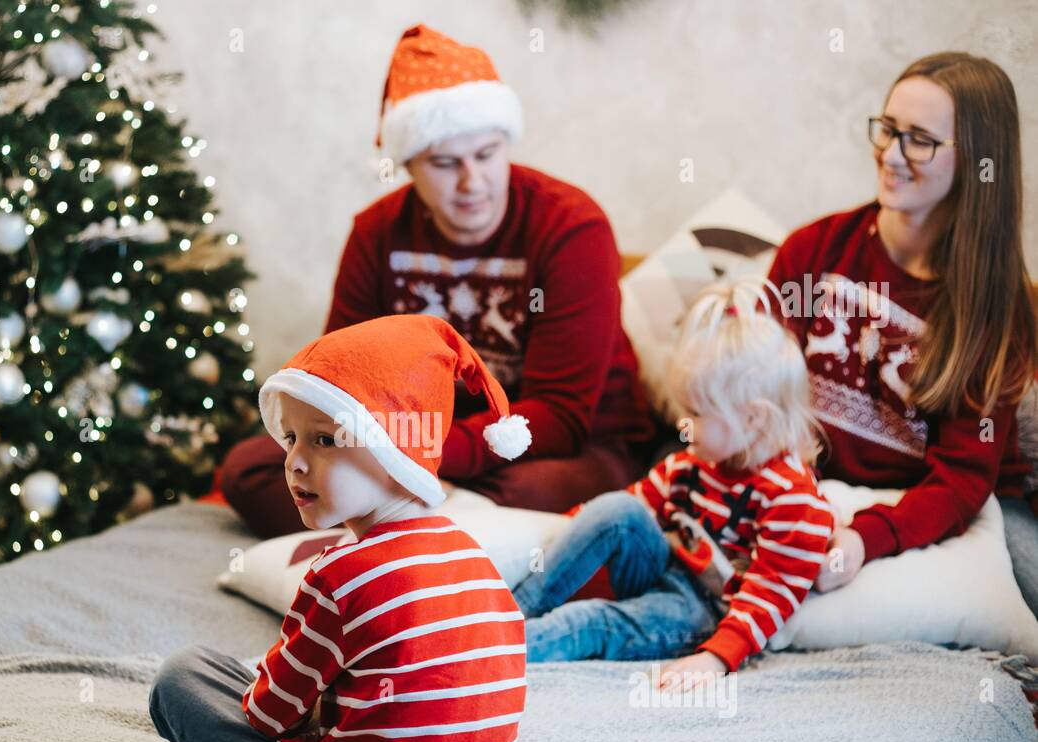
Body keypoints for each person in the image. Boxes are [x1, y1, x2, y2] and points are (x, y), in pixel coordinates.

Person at [220, 23, 653, 538]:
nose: (473, 182)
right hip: (402, 443)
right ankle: (427, 535)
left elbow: (558, 417)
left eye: (488, 155)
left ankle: (384, 531)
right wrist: (380, 455)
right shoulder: (376, 233)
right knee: (248, 468)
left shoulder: (572, 228)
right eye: (446, 163)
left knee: (524, 496)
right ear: (410, 164)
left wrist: (405, 458)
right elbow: (336, 382)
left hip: (554, 446)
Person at [149, 314, 529, 742]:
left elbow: (267, 716)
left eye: (325, 440)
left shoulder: (338, 574)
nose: (294, 461)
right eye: (291, 437)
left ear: (397, 452)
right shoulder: (473, 555)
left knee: (182, 676)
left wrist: (291, 704)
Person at [765, 52, 1038, 605]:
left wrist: (865, 540)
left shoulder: (995, 303)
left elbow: (962, 481)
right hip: (811, 490)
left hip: (952, 506)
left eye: (920, 139)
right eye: (888, 129)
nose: (891, 154)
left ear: (978, 161)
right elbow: (756, 396)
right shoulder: (812, 251)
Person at [511, 280, 833, 688]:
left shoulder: (793, 500)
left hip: (702, 614)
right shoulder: (691, 463)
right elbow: (625, 512)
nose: (684, 425)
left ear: (753, 418)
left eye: (696, 413)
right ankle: (509, 612)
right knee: (618, 509)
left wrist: (716, 659)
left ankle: (492, 653)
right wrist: (564, 536)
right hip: (665, 569)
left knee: (589, 621)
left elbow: (772, 595)